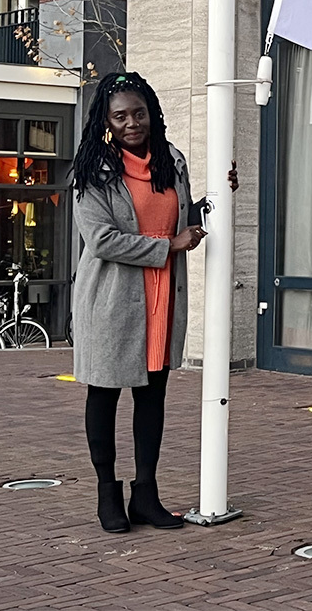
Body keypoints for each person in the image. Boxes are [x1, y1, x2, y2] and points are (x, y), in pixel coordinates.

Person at [71, 71, 206, 533]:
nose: (132, 123)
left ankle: (145, 495)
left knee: (153, 397)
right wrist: (169, 245)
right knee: (104, 395)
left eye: (139, 112)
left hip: (163, 297)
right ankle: (107, 494)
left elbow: (183, 216)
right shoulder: (92, 170)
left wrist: (213, 204)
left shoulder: (173, 161)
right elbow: (103, 239)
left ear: (152, 113)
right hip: (111, 301)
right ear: (106, 121)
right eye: (121, 115)